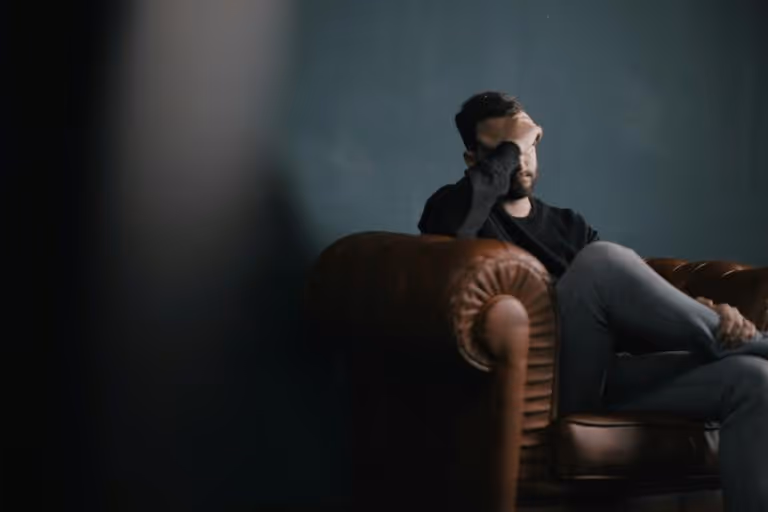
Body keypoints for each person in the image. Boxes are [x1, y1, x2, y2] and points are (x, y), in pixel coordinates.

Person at [418, 91, 768, 511]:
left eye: (529, 146)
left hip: (611, 378)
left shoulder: (569, 224)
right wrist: (514, 144)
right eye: (506, 150)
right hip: (549, 387)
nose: (522, 160)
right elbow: (448, 234)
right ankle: (746, 341)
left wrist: (708, 309)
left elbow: (629, 305)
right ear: (474, 160)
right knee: (600, 261)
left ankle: (738, 343)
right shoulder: (454, 208)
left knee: (754, 380)